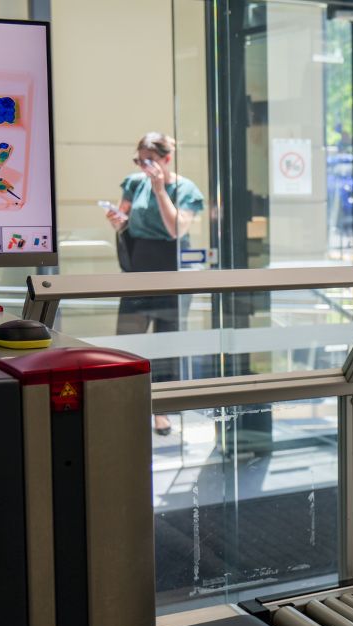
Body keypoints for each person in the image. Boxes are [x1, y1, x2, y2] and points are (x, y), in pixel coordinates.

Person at [104, 132, 205, 435]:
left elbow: (176, 229)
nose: (143, 167)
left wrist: (160, 189)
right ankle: (124, 406)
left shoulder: (185, 189)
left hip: (171, 269)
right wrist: (117, 219)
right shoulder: (134, 183)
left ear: (166, 159)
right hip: (138, 266)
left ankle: (161, 411)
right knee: (128, 340)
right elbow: (124, 218)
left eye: (148, 161)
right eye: (139, 160)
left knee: (167, 342)